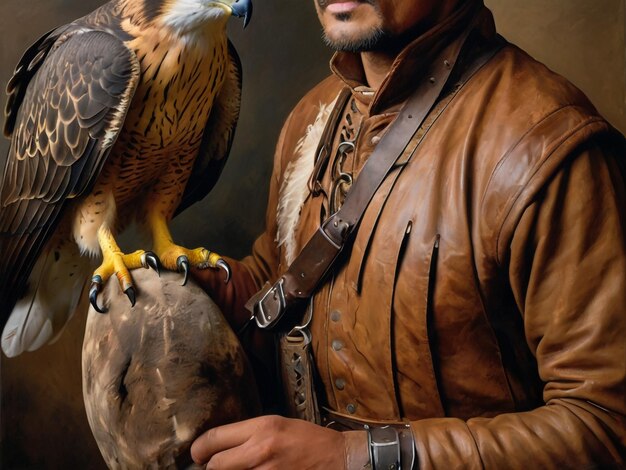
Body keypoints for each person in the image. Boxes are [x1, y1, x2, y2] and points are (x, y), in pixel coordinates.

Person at [189, 0, 626, 467]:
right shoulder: (312, 117)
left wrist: (355, 458)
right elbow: (284, 282)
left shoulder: (547, 151)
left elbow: (605, 426)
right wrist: (223, 290)